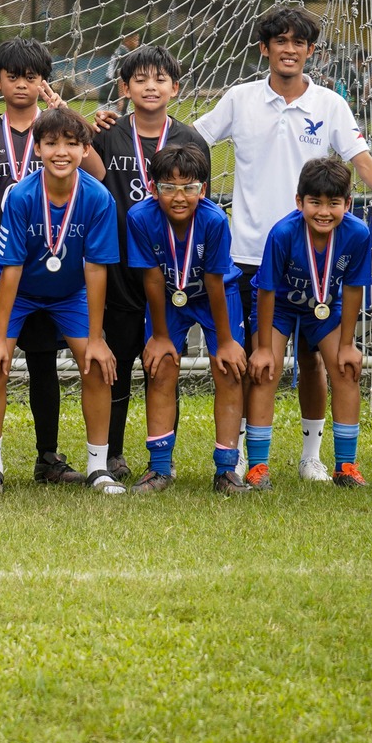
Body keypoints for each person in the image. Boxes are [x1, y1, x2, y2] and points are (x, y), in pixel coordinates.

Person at [193, 5, 372, 482]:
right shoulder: (240, 98)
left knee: (314, 360)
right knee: (258, 359)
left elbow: (364, 162)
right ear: (264, 49)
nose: (288, 50)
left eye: (298, 43)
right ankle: (254, 456)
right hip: (251, 253)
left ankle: (312, 456)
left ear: (311, 51)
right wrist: (120, 128)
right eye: (280, 41)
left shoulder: (330, 104)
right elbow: (191, 142)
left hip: (319, 253)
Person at [0, 107, 124, 496]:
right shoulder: (20, 195)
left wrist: (97, 337)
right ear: (37, 148)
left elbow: (96, 269)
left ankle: (97, 466)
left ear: (85, 149)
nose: (61, 151)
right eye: (52, 142)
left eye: (72, 144)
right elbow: (10, 268)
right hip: (16, 288)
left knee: (95, 362)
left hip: (70, 291)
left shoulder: (98, 198)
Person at [84, 44, 210, 481]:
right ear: (124, 87)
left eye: (160, 79)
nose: (150, 86)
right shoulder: (108, 132)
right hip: (119, 267)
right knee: (115, 364)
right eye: (140, 79)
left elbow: (200, 202)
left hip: (170, 268)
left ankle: (163, 456)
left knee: (164, 366)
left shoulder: (191, 139)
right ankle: (112, 453)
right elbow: (83, 162)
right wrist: (85, 124)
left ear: (176, 88)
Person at [0, 38, 74, 483]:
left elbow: (93, 171)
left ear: (44, 82)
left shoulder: (59, 134)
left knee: (43, 363)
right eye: (12, 76)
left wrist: (64, 109)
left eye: (31, 77)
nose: (22, 84)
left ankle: (48, 457)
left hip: (47, 269)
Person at [121, 143, 246, 494]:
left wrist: (224, 342)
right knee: (160, 367)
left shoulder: (215, 219)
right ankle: (159, 467)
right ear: (152, 187)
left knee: (228, 369)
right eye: (168, 187)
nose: (179, 196)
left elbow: (215, 280)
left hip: (214, 297)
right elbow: (152, 278)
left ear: (202, 190)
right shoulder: (140, 217)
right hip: (167, 298)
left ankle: (226, 470)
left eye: (189, 187)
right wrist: (160, 337)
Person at [247, 157, 372, 490]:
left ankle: (342, 465)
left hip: (325, 307)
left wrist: (348, 344)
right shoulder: (283, 232)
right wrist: (262, 349)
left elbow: (354, 287)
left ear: (348, 203)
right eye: (314, 202)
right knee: (266, 370)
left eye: (334, 203)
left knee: (345, 370)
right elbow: (267, 290)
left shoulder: (358, 233)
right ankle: (257, 466)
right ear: (299, 201)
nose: (324, 211)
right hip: (280, 308)